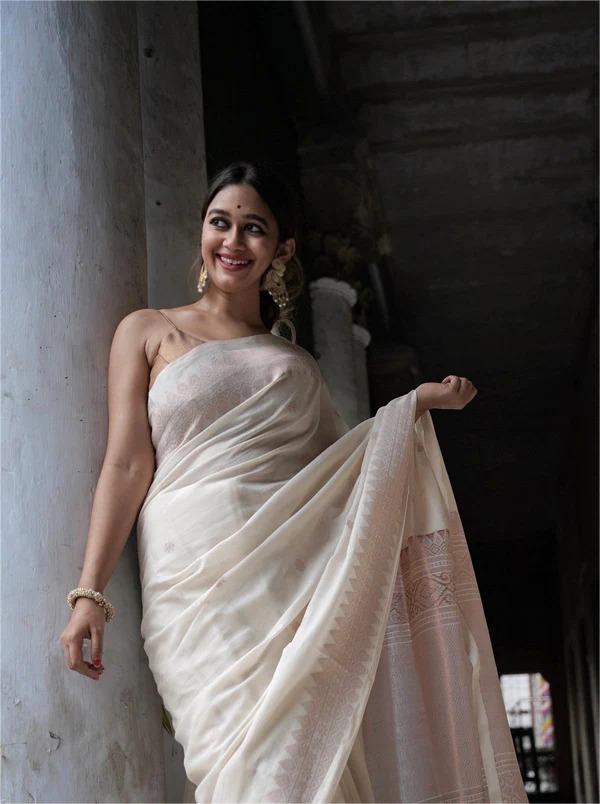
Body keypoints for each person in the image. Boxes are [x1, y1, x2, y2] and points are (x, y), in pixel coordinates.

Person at [59, 161, 528, 803]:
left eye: (253, 228)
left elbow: (340, 483)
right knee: (242, 768)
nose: (232, 241)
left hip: (288, 587)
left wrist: (412, 408)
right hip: (193, 586)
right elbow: (127, 464)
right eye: (220, 222)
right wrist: (90, 593)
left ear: (281, 249)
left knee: (304, 768)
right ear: (202, 231)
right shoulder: (148, 330)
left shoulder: (295, 366)